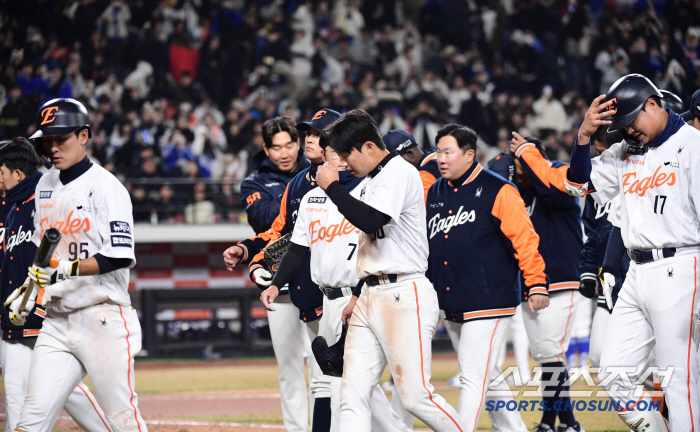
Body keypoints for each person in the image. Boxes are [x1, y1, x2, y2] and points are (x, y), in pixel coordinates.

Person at [566, 73, 700, 431]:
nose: (627, 132)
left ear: (652, 104)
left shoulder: (693, 146)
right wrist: (582, 137)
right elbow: (576, 185)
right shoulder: (626, 151)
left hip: (682, 266)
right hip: (637, 273)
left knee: (679, 383)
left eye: (630, 121)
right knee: (613, 374)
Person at [317, 109, 465, 432]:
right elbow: (372, 246)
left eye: (346, 154)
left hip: (404, 292)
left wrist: (332, 188)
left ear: (369, 147)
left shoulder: (399, 171)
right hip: (371, 292)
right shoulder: (372, 180)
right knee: (351, 394)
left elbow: (372, 221)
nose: (343, 163)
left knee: (415, 397)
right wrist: (358, 294)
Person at [7, 97, 146, 432]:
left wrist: (64, 269)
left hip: (102, 318)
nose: (53, 147)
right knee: (31, 419)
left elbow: (119, 254)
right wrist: (30, 287)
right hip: (55, 321)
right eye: (48, 140)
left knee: (121, 420)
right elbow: (46, 252)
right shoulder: (43, 185)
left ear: (84, 135)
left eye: (62, 138)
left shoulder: (106, 187)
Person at [259, 136, 406, 432]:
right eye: (331, 153)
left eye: (342, 153)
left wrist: (356, 295)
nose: (337, 158)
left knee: (346, 382)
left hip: (359, 297)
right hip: (327, 300)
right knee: (344, 381)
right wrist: (276, 284)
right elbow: (297, 248)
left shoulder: (367, 192)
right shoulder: (313, 198)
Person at [426, 124, 547, 432]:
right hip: (452, 301)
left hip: (489, 299)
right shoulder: (436, 191)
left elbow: (525, 239)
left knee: (472, 374)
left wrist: (536, 282)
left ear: (469, 154)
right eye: (438, 151)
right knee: (487, 374)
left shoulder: (498, 189)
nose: (440, 158)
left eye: (447, 152)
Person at [222, 112, 336, 432]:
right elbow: (267, 221)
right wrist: (301, 189)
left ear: (299, 144)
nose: (285, 153)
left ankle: (326, 427)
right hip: (280, 280)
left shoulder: (319, 172)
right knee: (288, 367)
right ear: (266, 150)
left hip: (317, 280)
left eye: (290, 145)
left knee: (323, 364)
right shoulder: (256, 182)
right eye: (277, 147)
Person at [0, 137, 111, 432]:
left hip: (46, 312)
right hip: (17, 315)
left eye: (0, 171)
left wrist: (39, 295)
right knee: (24, 389)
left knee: (49, 388)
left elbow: (67, 249)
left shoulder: (45, 196)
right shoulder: (12, 208)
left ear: (17, 173)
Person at [509, 132, 584, 432]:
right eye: (516, 162)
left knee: (551, 356)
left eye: (525, 161)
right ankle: (564, 423)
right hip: (531, 286)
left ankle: (552, 422)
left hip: (562, 283)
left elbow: (552, 190)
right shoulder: (517, 194)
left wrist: (529, 155)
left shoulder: (561, 179)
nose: (519, 168)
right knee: (546, 358)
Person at [382, 129, 440, 201]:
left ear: (409, 154)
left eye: (394, 163)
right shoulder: (438, 155)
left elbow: (422, 211)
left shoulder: (423, 175)